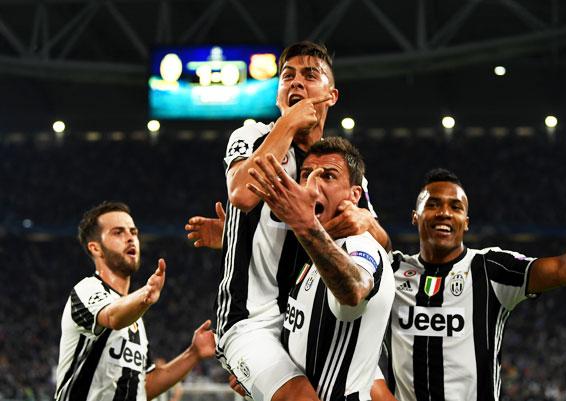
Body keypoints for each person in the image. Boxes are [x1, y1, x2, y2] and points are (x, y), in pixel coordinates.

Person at [374, 168, 566, 401]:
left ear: (466, 221)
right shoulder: (393, 271)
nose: (444, 213)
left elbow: (561, 269)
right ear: (415, 217)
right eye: (433, 205)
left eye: (455, 207)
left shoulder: (491, 268)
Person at [207, 41, 390, 401]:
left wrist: (365, 222)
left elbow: (381, 247)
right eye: (287, 76)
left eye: (310, 75)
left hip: (312, 315)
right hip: (250, 322)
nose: (296, 83)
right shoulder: (253, 137)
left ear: (332, 95)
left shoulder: (341, 167)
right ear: (277, 93)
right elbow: (242, 194)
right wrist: (289, 123)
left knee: (382, 394)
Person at [245, 137, 395, 401]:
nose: (313, 184)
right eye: (306, 174)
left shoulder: (359, 246)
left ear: (354, 195)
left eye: (328, 175)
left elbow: (354, 289)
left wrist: (304, 225)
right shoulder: (314, 254)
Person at [54, 201, 215, 401]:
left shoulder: (135, 317)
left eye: (133, 232)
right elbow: (112, 317)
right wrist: (146, 295)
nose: (130, 237)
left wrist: (194, 353)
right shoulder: (87, 290)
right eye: (118, 232)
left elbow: (144, 386)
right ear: (96, 248)